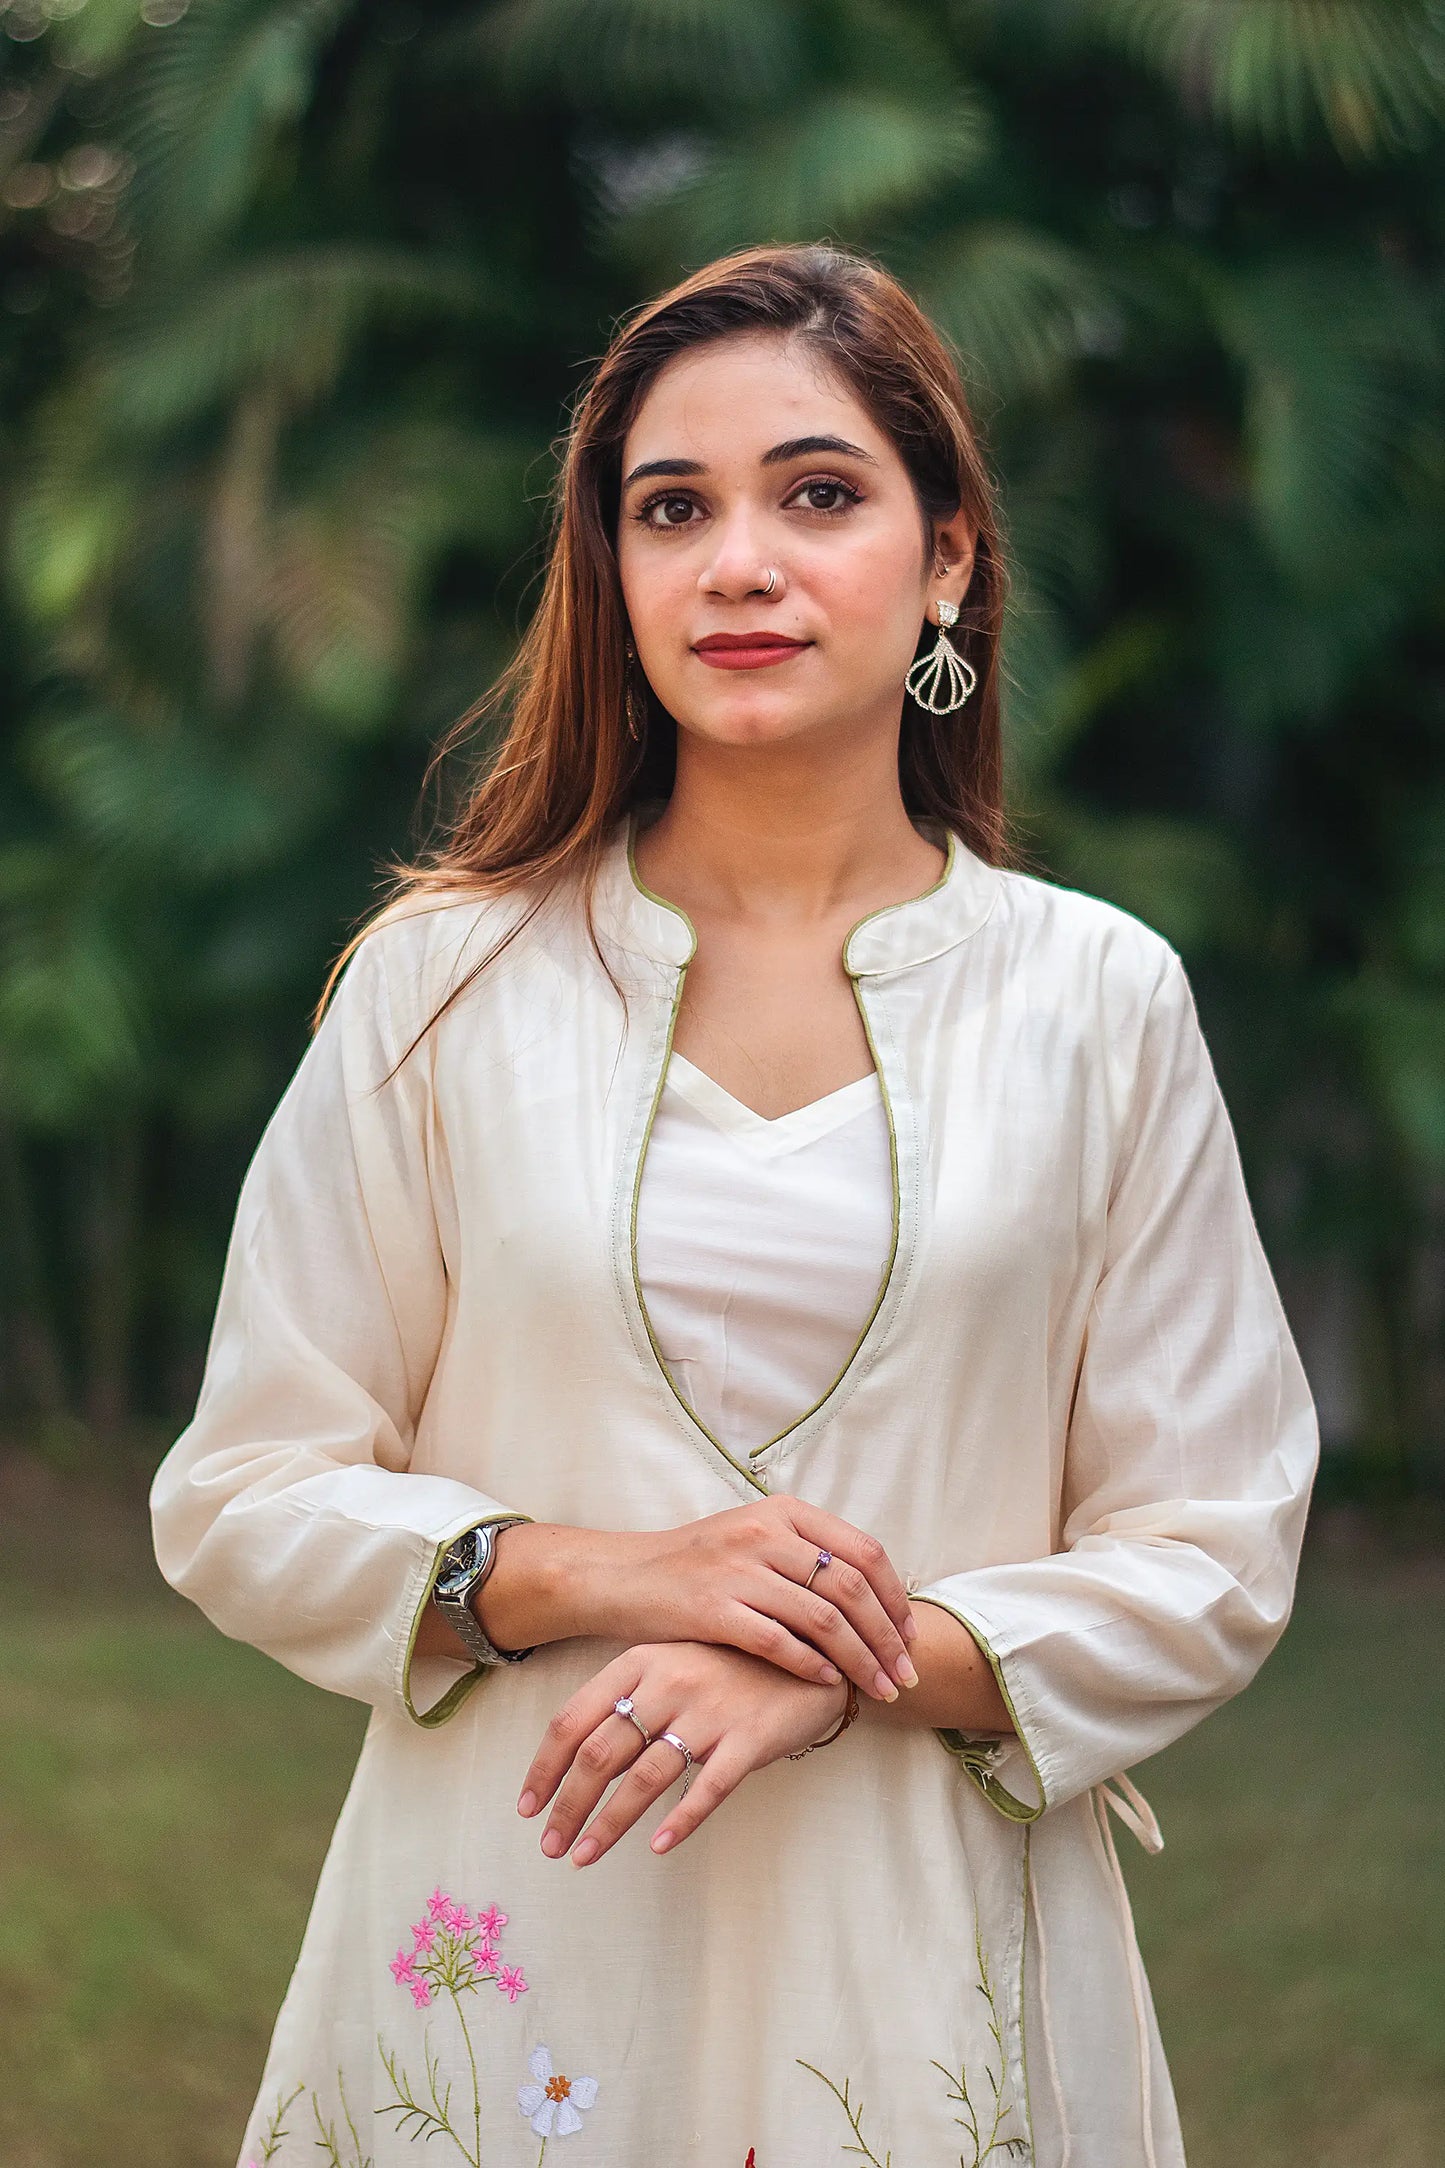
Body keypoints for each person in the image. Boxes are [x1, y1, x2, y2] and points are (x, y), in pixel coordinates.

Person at [149, 241, 1319, 2168]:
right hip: (510, 1935)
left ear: (949, 557)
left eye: (820, 493)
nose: (739, 563)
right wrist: (608, 1570)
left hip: (924, 1942)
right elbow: (245, 1490)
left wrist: (832, 1669)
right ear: (612, 572)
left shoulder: (1093, 998)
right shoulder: (439, 987)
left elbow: (1210, 1536)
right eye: (670, 509)